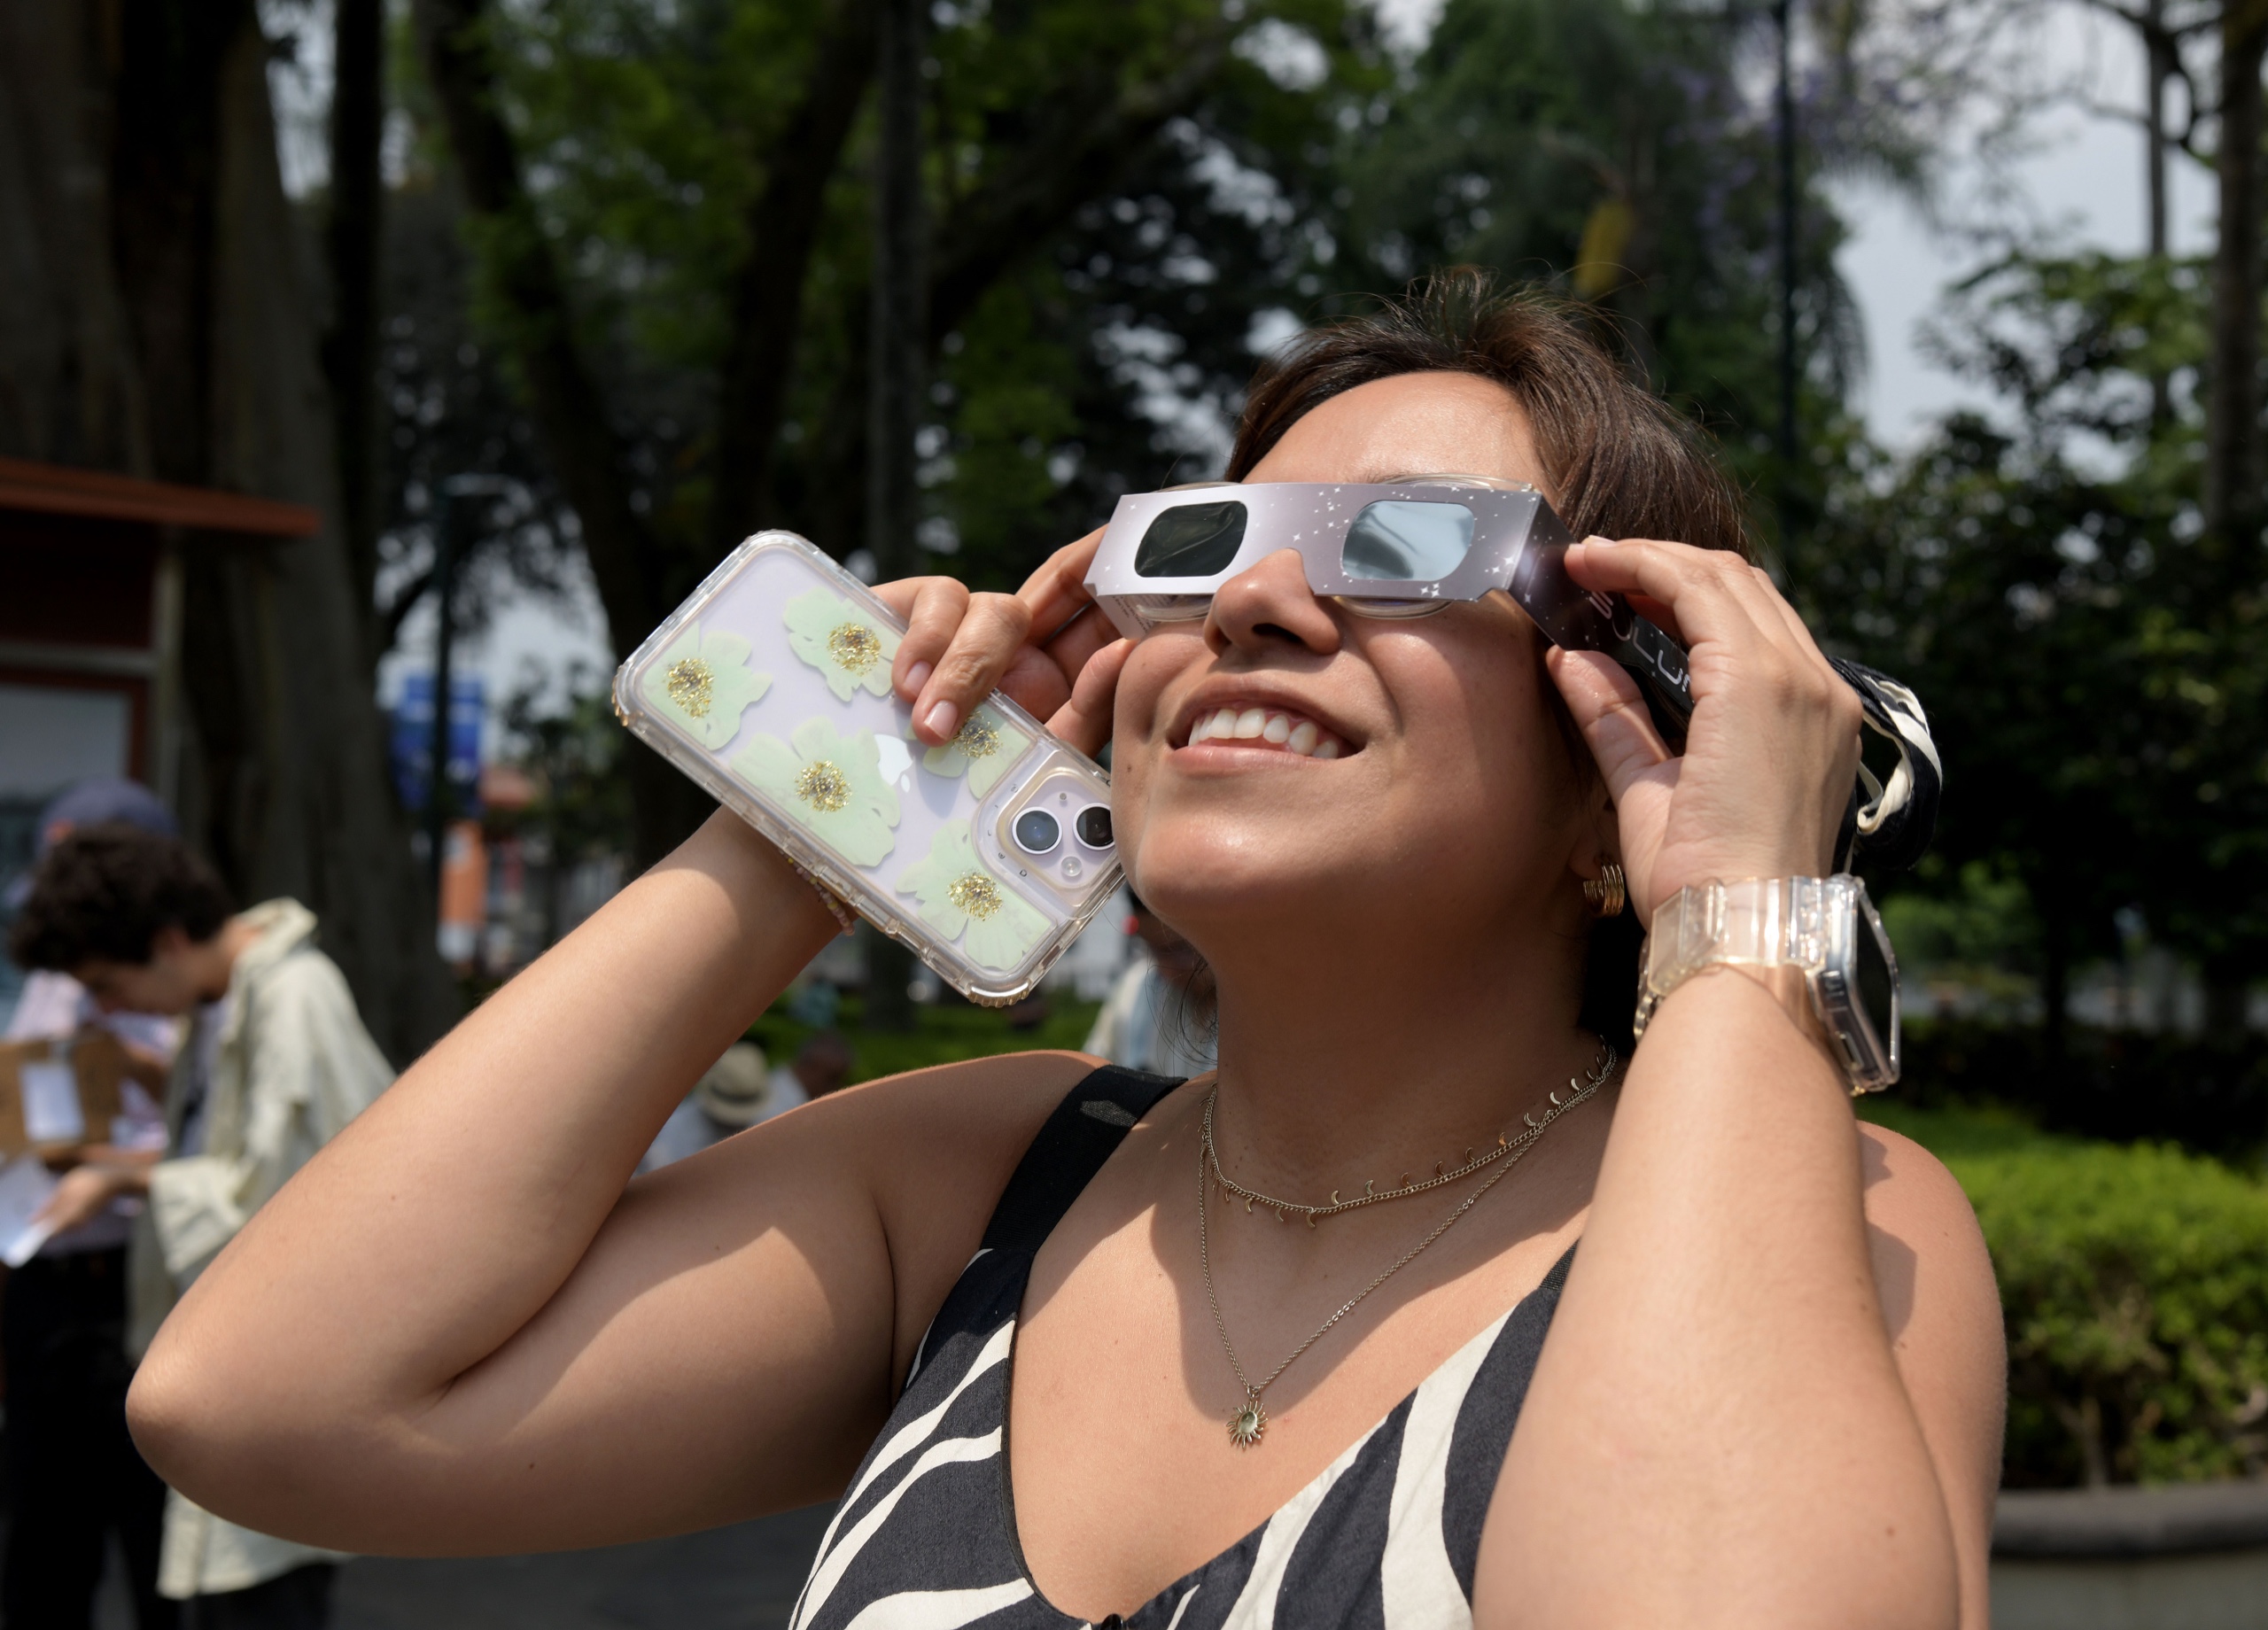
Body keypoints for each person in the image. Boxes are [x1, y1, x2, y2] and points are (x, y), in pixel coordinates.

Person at [124, 275, 2005, 1628]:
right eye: (1201, 543)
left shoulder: (1837, 1226)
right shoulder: (979, 1185)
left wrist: (1739, 922)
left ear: (1647, 721)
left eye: (1408, 546)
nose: (1254, 599)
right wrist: (829, 809)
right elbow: (267, 1402)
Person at [9, 828, 394, 1629]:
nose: (109, 1009)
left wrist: (117, 1177)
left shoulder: (293, 994)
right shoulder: (226, 1002)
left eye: (109, 985)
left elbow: (286, 1201)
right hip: (232, 1389)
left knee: (263, 1599)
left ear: (167, 941)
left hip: (273, 1396)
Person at [1, 780, 185, 1630]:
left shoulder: (180, 987)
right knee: (44, 1533)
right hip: (46, 1276)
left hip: (138, 1279)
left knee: (154, 1535)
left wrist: (105, 1161)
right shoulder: (50, 979)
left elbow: (216, 1148)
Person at [1084, 890, 1218, 1078]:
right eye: (1156, 950)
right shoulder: (1132, 990)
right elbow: (1093, 1073)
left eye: (1182, 949)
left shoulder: (1258, 1008)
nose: (1170, 970)